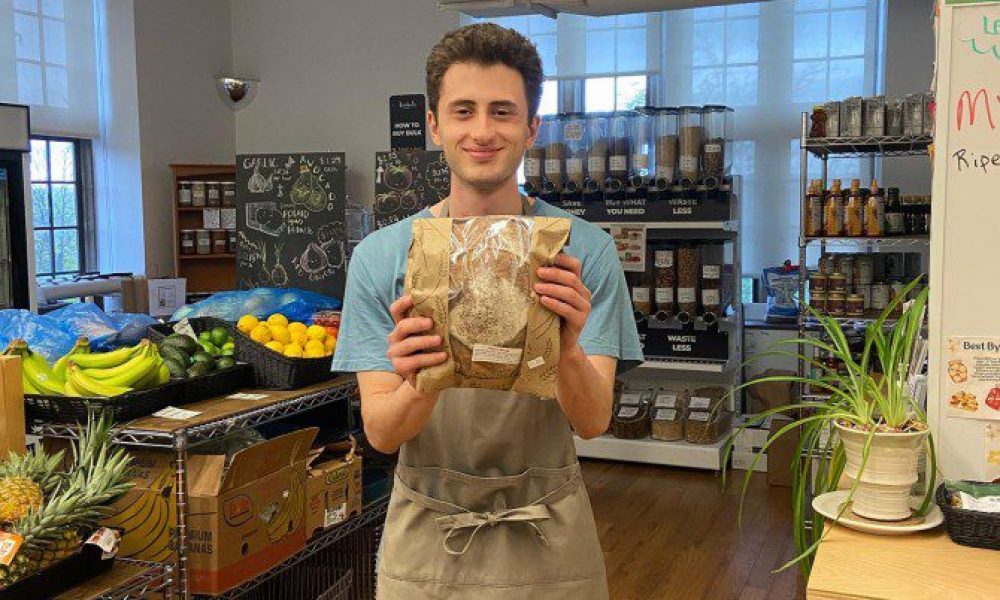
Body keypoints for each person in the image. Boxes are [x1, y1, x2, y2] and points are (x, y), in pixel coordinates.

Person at [331, 23, 642, 599]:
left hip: (548, 533)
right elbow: (381, 434)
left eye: (502, 112)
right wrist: (419, 379)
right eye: (463, 110)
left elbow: (594, 422)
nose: (481, 131)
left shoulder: (581, 250)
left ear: (531, 130)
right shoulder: (382, 258)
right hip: (429, 536)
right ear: (434, 124)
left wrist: (566, 347)